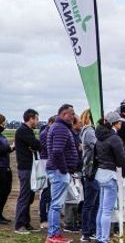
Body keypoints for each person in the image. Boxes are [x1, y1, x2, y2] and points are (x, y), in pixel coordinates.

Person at [45, 104, 80, 243]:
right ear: (64, 114)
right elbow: (57, 151)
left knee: (56, 204)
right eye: (72, 114)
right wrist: (64, 169)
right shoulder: (60, 128)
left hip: (57, 170)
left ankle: (53, 235)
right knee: (56, 205)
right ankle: (53, 236)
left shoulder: (59, 127)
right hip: (59, 171)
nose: (74, 117)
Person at [94, 111, 125, 243]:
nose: (121, 124)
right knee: (107, 210)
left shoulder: (100, 136)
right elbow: (121, 158)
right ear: (116, 123)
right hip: (111, 175)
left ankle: (99, 236)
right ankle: (104, 239)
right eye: (119, 122)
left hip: (101, 173)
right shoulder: (114, 138)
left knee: (102, 208)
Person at [14, 108, 41, 235]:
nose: (37, 121)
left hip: (29, 167)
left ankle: (26, 222)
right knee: (24, 196)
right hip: (25, 168)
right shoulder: (23, 131)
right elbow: (36, 145)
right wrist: (34, 146)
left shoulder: (27, 130)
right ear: (31, 118)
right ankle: (19, 225)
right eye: (36, 118)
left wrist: (34, 146)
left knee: (29, 196)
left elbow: (35, 145)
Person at [79, 109, 98, 242]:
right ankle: (87, 231)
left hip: (90, 170)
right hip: (91, 171)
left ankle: (90, 230)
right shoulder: (90, 131)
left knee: (92, 202)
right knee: (90, 203)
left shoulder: (87, 130)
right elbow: (97, 147)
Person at [63, 114, 83, 234]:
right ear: (73, 124)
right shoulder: (71, 135)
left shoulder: (76, 135)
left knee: (77, 197)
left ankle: (73, 221)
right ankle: (69, 223)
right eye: (79, 122)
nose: (81, 124)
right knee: (71, 197)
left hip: (76, 169)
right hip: (73, 170)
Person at [39, 115, 55, 230]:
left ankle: (49, 218)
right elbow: (50, 149)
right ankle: (44, 219)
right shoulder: (45, 134)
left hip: (49, 162)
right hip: (45, 162)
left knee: (50, 193)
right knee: (46, 192)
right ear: (50, 123)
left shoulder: (49, 132)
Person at [0, 113, 15, 225]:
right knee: (2, 191)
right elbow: (3, 149)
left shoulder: (2, 136)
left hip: (5, 166)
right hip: (1, 167)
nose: (4, 124)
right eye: (3, 122)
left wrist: (11, 148)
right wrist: (10, 147)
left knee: (6, 191)